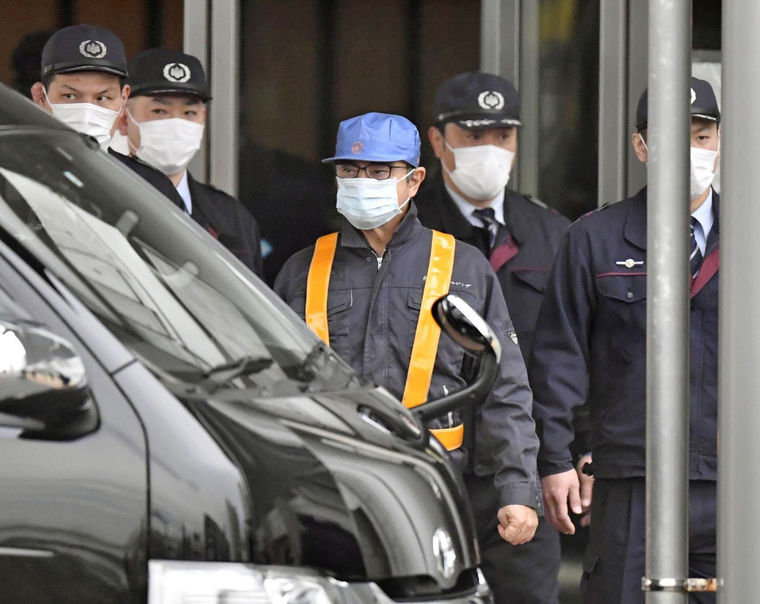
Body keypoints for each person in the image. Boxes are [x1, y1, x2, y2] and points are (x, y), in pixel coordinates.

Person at [274, 112, 542, 560]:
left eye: (380, 171)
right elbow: (272, 385)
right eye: (349, 170)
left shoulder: (464, 267)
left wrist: (516, 486)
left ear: (415, 180)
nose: (362, 182)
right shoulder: (302, 270)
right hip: (327, 492)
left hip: (434, 487)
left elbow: (504, 386)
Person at [530, 76, 721, 603]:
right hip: (632, 481)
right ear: (641, 146)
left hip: (733, 484)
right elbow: (558, 356)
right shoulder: (594, 238)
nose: (691, 150)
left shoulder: (759, 236)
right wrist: (556, 458)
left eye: (702, 137)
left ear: (720, 142)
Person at [415, 71, 569, 604]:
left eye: (502, 136)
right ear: (437, 141)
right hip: (433, 464)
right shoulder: (409, 229)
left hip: (523, 470)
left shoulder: (552, 233)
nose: (490, 150)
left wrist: (574, 456)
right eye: (473, 135)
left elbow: (574, 355)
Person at [117, 49, 263, 278]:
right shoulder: (98, 199)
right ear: (124, 120)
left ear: (202, 120)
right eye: (159, 111)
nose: (176, 124)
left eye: (189, 112)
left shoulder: (232, 218)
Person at [30, 24, 129, 150]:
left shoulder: (132, 171)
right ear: (40, 97)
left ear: (124, 99)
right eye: (70, 96)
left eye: (102, 98)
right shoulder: (11, 169)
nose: (86, 116)